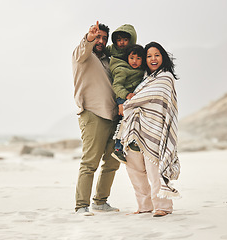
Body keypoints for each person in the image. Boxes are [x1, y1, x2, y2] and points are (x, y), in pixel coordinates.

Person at [116, 41, 181, 217]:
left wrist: (128, 103)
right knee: (135, 169)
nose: (153, 59)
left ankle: (163, 206)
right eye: (149, 56)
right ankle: (144, 205)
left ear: (163, 58)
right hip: (135, 129)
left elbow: (151, 97)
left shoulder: (165, 77)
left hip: (154, 129)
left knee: (154, 170)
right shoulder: (145, 79)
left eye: (157, 55)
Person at [72, 21, 120, 216]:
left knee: (112, 162)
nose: (100, 41)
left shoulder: (108, 60)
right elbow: (83, 47)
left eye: (103, 38)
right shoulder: (82, 56)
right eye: (97, 37)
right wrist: (89, 37)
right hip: (92, 113)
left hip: (113, 116)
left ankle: (100, 202)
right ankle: (81, 205)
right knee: (90, 162)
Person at [110, 45, 145, 164]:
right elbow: (117, 86)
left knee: (134, 121)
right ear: (127, 58)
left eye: (138, 58)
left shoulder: (142, 72)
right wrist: (125, 95)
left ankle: (133, 142)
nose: (135, 61)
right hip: (123, 99)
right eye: (132, 58)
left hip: (133, 101)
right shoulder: (123, 69)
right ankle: (118, 148)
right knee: (123, 123)